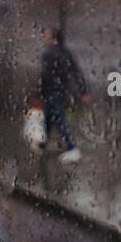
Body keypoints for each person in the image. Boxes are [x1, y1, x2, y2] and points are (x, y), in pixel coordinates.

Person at [39, 26, 89, 163]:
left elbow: (45, 76)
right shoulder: (66, 52)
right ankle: (43, 143)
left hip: (51, 91)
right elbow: (76, 72)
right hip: (61, 91)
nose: (45, 38)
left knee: (59, 119)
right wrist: (83, 91)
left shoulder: (48, 54)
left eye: (47, 35)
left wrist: (41, 92)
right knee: (49, 117)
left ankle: (73, 148)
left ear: (53, 38)